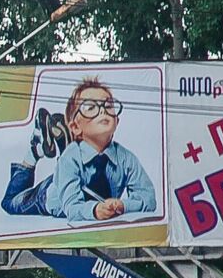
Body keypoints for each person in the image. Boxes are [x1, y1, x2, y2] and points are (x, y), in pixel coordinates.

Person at [45, 78, 155, 221]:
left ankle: (62, 142)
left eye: (108, 106)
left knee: (69, 167)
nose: (103, 111)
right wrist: (95, 210)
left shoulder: (126, 158)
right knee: (12, 202)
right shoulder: (70, 158)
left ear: (117, 121)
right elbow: (72, 208)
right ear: (75, 127)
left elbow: (149, 199)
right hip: (51, 198)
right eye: (90, 107)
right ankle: (31, 158)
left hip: (74, 175)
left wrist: (123, 205)